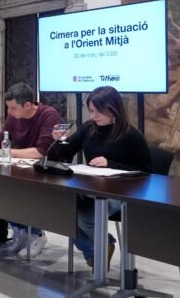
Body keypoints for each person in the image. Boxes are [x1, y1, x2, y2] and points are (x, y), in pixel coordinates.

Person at [50, 86, 151, 269]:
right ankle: (101, 248)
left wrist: (111, 163)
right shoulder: (89, 128)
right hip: (91, 188)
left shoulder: (131, 135)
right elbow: (64, 154)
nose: (93, 116)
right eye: (91, 111)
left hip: (121, 193)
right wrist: (60, 141)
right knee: (63, 213)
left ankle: (99, 252)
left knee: (85, 218)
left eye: (98, 111)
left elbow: (146, 172)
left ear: (113, 109)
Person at [0, 82, 61, 258]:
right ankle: (20, 232)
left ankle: (36, 235)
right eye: (8, 107)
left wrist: (2, 152)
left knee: (20, 192)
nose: (9, 112)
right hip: (21, 167)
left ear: (28, 105)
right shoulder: (13, 116)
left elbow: (40, 152)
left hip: (45, 172)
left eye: (13, 108)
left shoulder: (49, 115)